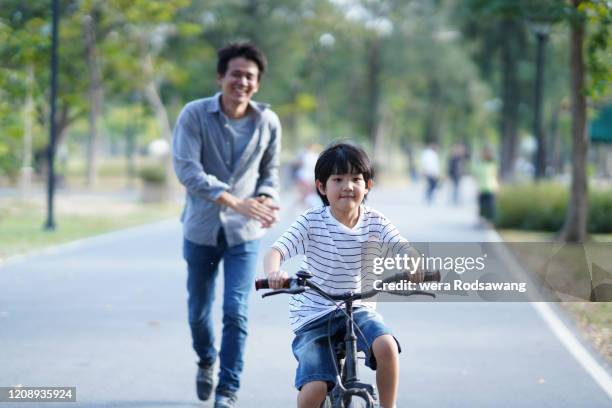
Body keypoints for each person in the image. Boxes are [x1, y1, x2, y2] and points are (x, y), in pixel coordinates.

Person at [263, 142, 423, 408]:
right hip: (314, 314)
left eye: (356, 179)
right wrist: (274, 273)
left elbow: (403, 248)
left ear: (368, 185)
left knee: (387, 347)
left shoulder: (375, 221)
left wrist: (412, 263)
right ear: (322, 187)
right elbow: (276, 251)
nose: (348, 186)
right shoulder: (311, 221)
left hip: (357, 307)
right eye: (338, 179)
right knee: (314, 389)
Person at [172, 41, 281, 408]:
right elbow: (187, 170)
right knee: (198, 313)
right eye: (235, 74)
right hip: (201, 229)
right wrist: (235, 201)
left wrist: (266, 197)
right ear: (221, 77)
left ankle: (228, 389)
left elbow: (270, 172)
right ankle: (206, 359)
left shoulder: (267, 121)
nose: (242, 81)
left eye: (250, 76)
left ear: (258, 83)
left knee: (236, 309)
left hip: (245, 235)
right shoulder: (194, 115)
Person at [472, 146, 499, 225]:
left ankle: (490, 221)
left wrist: (497, 187)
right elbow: (476, 176)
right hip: (481, 188)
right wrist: (476, 188)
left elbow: (495, 176)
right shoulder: (479, 164)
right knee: (482, 206)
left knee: (491, 206)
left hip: (491, 188)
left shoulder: (493, 163)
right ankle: (482, 220)